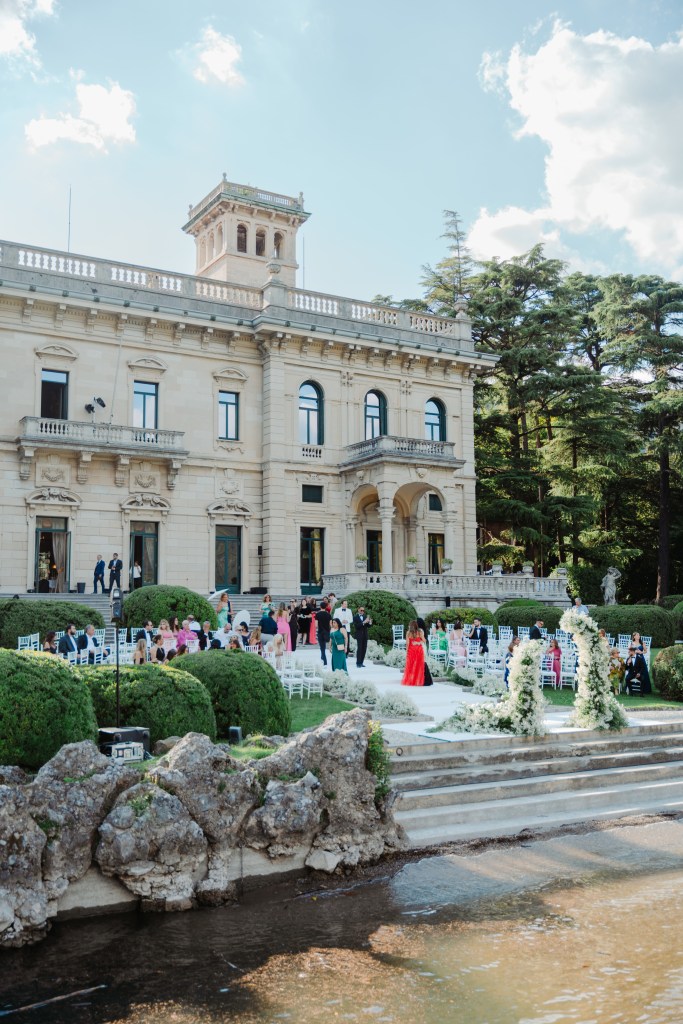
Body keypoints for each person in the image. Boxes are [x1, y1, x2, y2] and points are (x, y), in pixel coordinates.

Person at [402, 620, 426, 687]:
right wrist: (418, 642)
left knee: (411, 666)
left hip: (411, 650)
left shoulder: (408, 633)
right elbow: (424, 641)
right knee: (418, 666)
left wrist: (407, 651)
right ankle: (417, 681)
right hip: (419, 650)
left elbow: (407, 644)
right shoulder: (420, 632)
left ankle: (410, 680)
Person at [316, 601, 332, 666]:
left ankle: (324, 660)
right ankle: (323, 657)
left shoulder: (317, 614)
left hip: (320, 632)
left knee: (322, 647)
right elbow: (330, 624)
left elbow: (316, 625)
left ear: (320, 607)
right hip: (327, 631)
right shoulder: (328, 614)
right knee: (324, 646)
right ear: (326, 607)